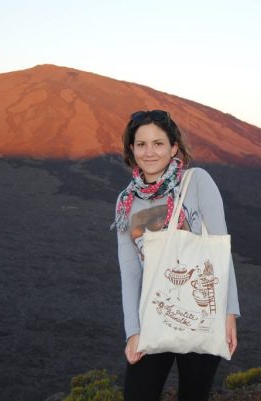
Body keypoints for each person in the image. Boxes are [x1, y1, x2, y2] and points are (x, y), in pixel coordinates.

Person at [111, 109, 240, 401]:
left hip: (202, 313)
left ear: (173, 147)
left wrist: (230, 313)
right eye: (141, 144)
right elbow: (130, 271)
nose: (149, 152)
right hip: (152, 315)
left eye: (158, 143)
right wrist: (133, 331)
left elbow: (220, 251)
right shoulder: (125, 202)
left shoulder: (197, 182)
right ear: (131, 149)